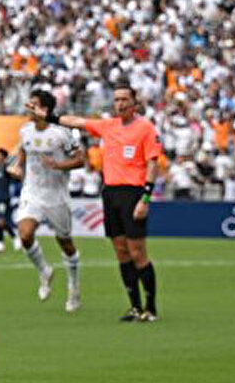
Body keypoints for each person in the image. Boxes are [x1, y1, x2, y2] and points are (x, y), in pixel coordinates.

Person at [41, 84, 163, 322]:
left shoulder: (146, 129)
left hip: (133, 193)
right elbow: (78, 122)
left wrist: (145, 198)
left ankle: (151, 307)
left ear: (135, 103)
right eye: (117, 99)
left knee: (138, 252)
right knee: (121, 251)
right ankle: (135, 306)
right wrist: (50, 117)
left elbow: (153, 163)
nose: (120, 103)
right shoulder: (109, 126)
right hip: (111, 193)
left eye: (125, 99)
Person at [8, 90, 87, 311]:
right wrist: (17, 166)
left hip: (56, 196)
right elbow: (24, 152)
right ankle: (45, 270)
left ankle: (74, 287)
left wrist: (59, 165)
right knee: (24, 234)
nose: (28, 108)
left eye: (33, 104)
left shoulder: (62, 133)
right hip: (32, 192)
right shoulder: (25, 131)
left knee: (66, 243)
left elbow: (81, 159)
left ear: (45, 109)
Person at [0, 148, 19, 254]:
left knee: (1, 221)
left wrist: (14, 171)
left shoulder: (6, 168)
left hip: (3, 198)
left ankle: (7, 241)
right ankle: (3, 242)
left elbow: (16, 174)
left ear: (3, 157)